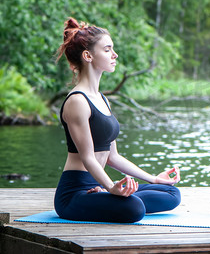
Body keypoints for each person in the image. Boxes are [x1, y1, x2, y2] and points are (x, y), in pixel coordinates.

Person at [54, 17, 181, 223]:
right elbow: (88, 158)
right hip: (76, 193)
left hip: (100, 184)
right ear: (88, 55)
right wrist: (110, 187)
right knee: (135, 209)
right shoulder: (77, 101)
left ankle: (107, 197)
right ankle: (105, 198)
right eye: (107, 49)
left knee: (171, 193)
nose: (115, 55)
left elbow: (113, 157)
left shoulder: (103, 99)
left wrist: (154, 178)